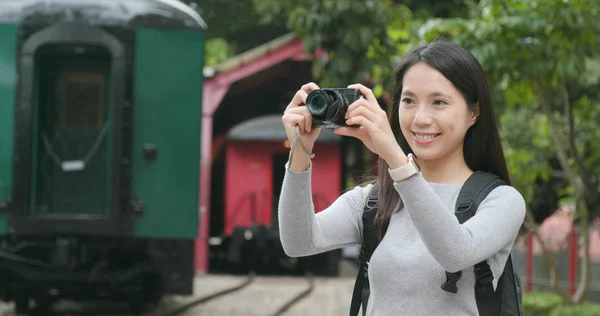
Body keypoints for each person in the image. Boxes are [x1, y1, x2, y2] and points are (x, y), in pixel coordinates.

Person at [278, 40, 526, 315]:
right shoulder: (374, 201)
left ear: (473, 113)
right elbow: (298, 241)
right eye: (409, 101)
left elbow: (455, 253)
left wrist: (394, 156)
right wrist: (300, 149)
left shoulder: (501, 200)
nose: (420, 118)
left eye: (439, 102)